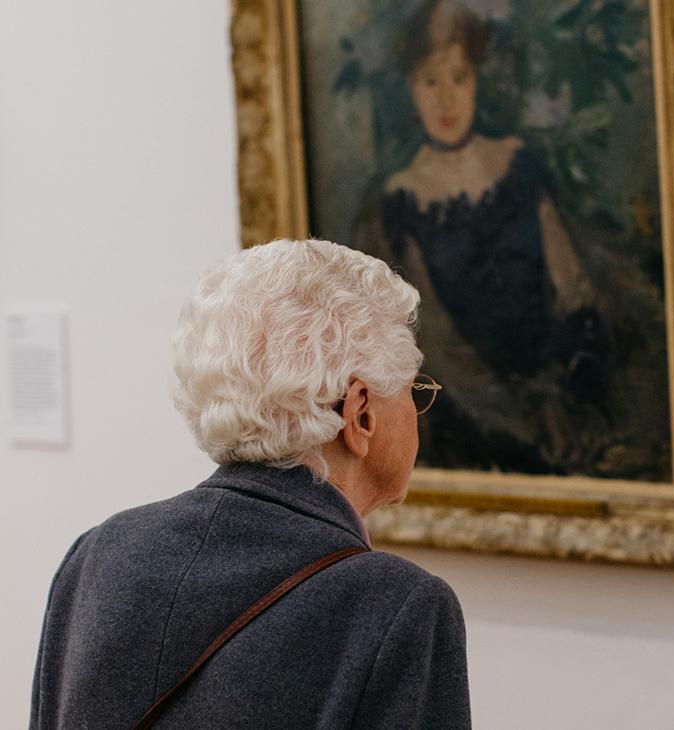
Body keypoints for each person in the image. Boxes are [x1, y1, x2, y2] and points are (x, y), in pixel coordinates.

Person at [30, 239, 471, 729]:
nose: (416, 411)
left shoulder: (100, 554)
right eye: (414, 389)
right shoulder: (397, 605)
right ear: (359, 411)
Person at [359, 0, 615, 474]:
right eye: (429, 81)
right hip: (473, 418)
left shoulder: (517, 164)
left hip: (559, 394)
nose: (446, 100)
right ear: (410, 89)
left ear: (477, 79)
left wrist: (571, 387)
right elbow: (431, 335)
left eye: (458, 78)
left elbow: (573, 285)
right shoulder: (402, 199)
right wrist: (520, 419)